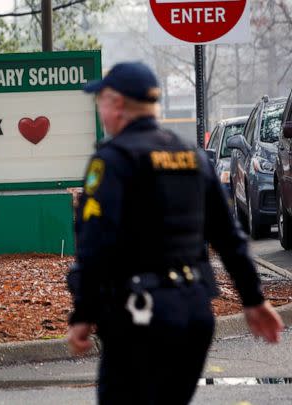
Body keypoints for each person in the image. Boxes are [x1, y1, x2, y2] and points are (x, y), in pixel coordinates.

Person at [67, 62, 284, 405]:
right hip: (193, 313)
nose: (100, 110)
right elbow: (229, 236)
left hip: (138, 315)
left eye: (101, 101)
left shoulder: (113, 160)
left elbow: (95, 245)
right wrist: (253, 300)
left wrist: (82, 314)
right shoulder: (192, 157)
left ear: (117, 104)